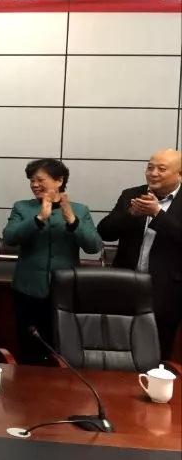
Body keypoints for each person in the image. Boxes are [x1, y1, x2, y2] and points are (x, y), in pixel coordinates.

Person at [3, 158, 102, 364]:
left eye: (40, 180)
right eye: (32, 180)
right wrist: (39, 218)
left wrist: (71, 220)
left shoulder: (79, 210)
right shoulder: (22, 207)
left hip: (65, 291)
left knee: (63, 348)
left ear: (59, 180)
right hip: (28, 289)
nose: (34, 185)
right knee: (29, 348)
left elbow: (94, 246)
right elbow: (9, 238)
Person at [97, 149, 182, 359]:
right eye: (150, 167)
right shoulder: (131, 194)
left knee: (157, 352)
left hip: (167, 290)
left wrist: (157, 214)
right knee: (118, 347)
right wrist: (130, 214)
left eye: (161, 169)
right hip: (126, 284)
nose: (153, 173)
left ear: (179, 174)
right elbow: (105, 232)